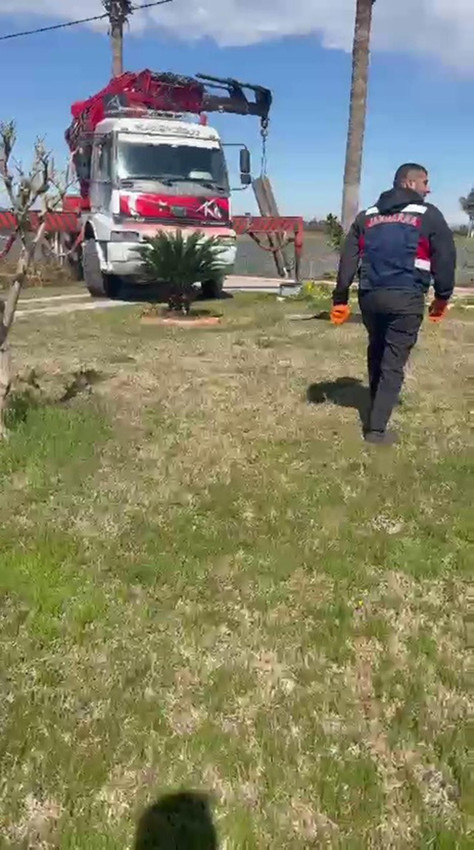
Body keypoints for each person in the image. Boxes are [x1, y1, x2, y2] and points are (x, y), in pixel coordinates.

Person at [330, 163, 456, 445]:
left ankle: (375, 406)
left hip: (370, 297)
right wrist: (442, 296)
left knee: (377, 349)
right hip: (406, 298)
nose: (428, 188)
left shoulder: (367, 217)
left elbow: (348, 259)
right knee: (393, 361)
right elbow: (445, 258)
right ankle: (376, 430)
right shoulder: (429, 216)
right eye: (425, 182)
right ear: (409, 184)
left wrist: (340, 298)